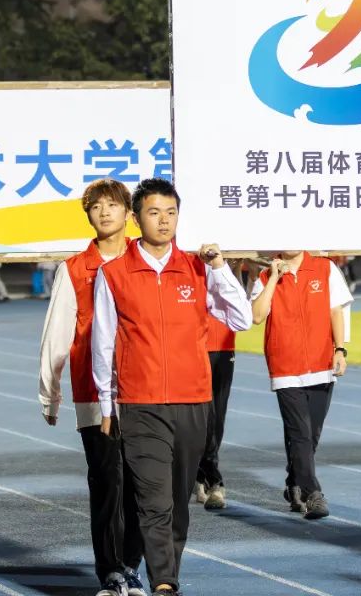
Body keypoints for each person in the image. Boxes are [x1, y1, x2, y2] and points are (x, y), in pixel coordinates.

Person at [92, 178, 252, 596]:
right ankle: (165, 583)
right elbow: (103, 343)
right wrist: (107, 406)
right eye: (154, 212)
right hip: (140, 404)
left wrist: (220, 267)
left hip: (193, 401)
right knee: (154, 499)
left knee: (178, 503)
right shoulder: (114, 274)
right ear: (136, 218)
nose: (164, 221)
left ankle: (166, 571)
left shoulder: (197, 269)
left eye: (171, 213)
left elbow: (241, 318)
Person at [39, 179, 146, 596]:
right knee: (106, 481)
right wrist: (50, 394)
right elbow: (57, 332)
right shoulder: (74, 269)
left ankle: (132, 565)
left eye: (113, 205)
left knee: (141, 483)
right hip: (93, 391)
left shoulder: (145, 260)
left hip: (144, 388)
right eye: (96, 206)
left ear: (129, 214)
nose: (104, 212)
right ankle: (111, 571)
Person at [251, 249, 352, 520]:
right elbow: (257, 316)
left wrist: (340, 349)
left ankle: (293, 483)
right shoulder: (265, 276)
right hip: (285, 368)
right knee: (300, 434)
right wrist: (274, 278)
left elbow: (336, 310)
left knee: (311, 435)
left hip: (322, 364)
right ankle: (312, 493)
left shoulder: (324, 268)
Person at [194, 275, 241, 511]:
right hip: (194, 348)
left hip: (223, 346)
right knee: (204, 417)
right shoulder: (187, 266)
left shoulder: (226, 269)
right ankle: (213, 480)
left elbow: (241, 306)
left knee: (217, 419)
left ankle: (200, 475)